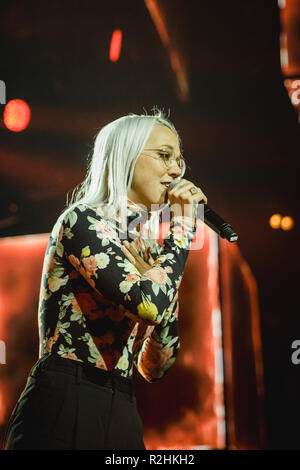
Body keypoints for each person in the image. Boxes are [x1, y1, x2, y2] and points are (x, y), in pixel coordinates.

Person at [3, 109, 207, 450]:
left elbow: (157, 367)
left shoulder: (147, 247)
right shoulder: (83, 221)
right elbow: (147, 305)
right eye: (164, 156)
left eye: (179, 160)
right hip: (68, 396)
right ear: (126, 156)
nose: (176, 170)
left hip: (122, 402)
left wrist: (164, 275)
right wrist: (183, 229)